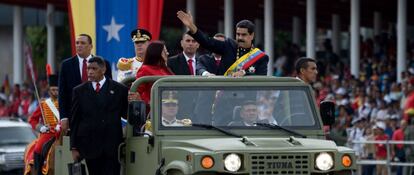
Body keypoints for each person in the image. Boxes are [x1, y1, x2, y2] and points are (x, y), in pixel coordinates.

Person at [70, 56, 128, 175]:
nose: (90, 72)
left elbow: (126, 114)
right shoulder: (79, 91)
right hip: (90, 146)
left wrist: (135, 102)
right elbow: (75, 120)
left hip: (112, 147)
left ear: (103, 70)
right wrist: (74, 147)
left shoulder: (119, 89)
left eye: (94, 68)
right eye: (88, 68)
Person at [177, 11, 269, 76]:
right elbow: (207, 42)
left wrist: (244, 74)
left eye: (244, 35)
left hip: (247, 101)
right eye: (238, 34)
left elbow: (261, 80)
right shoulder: (228, 45)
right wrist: (191, 26)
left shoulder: (261, 57)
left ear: (252, 35)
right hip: (224, 98)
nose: (240, 38)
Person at [59, 34, 112, 133]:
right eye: (77, 43)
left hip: (99, 116)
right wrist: (63, 117)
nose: (79, 45)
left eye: (83, 43)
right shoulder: (66, 65)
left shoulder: (104, 64)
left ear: (91, 46)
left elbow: (109, 90)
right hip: (75, 117)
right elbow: (62, 94)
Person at [27, 75, 60, 175]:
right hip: (48, 133)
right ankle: (38, 171)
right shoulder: (44, 104)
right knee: (37, 148)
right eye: (53, 90)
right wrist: (41, 127)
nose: (55, 92)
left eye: (57, 90)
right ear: (49, 91)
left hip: (62, 131)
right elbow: (32, 119)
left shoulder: (65, 103)